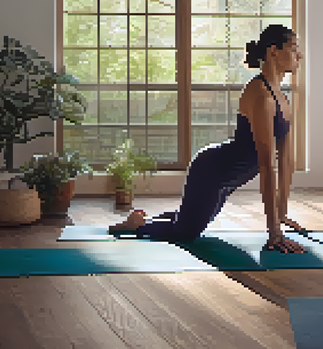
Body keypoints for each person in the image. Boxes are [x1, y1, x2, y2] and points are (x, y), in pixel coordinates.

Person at [108, 24, 307, 253]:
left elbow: (286, 161)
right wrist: (274, 232)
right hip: (212, 171)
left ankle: (142, 219)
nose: (298, 55)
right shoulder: (261, 96)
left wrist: (281, 213)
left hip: (227, 178)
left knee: (192, 219)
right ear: (273, 52)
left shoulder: (283, 100)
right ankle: (136, 226)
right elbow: (266, 164)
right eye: (293, 49)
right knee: (186, 233)